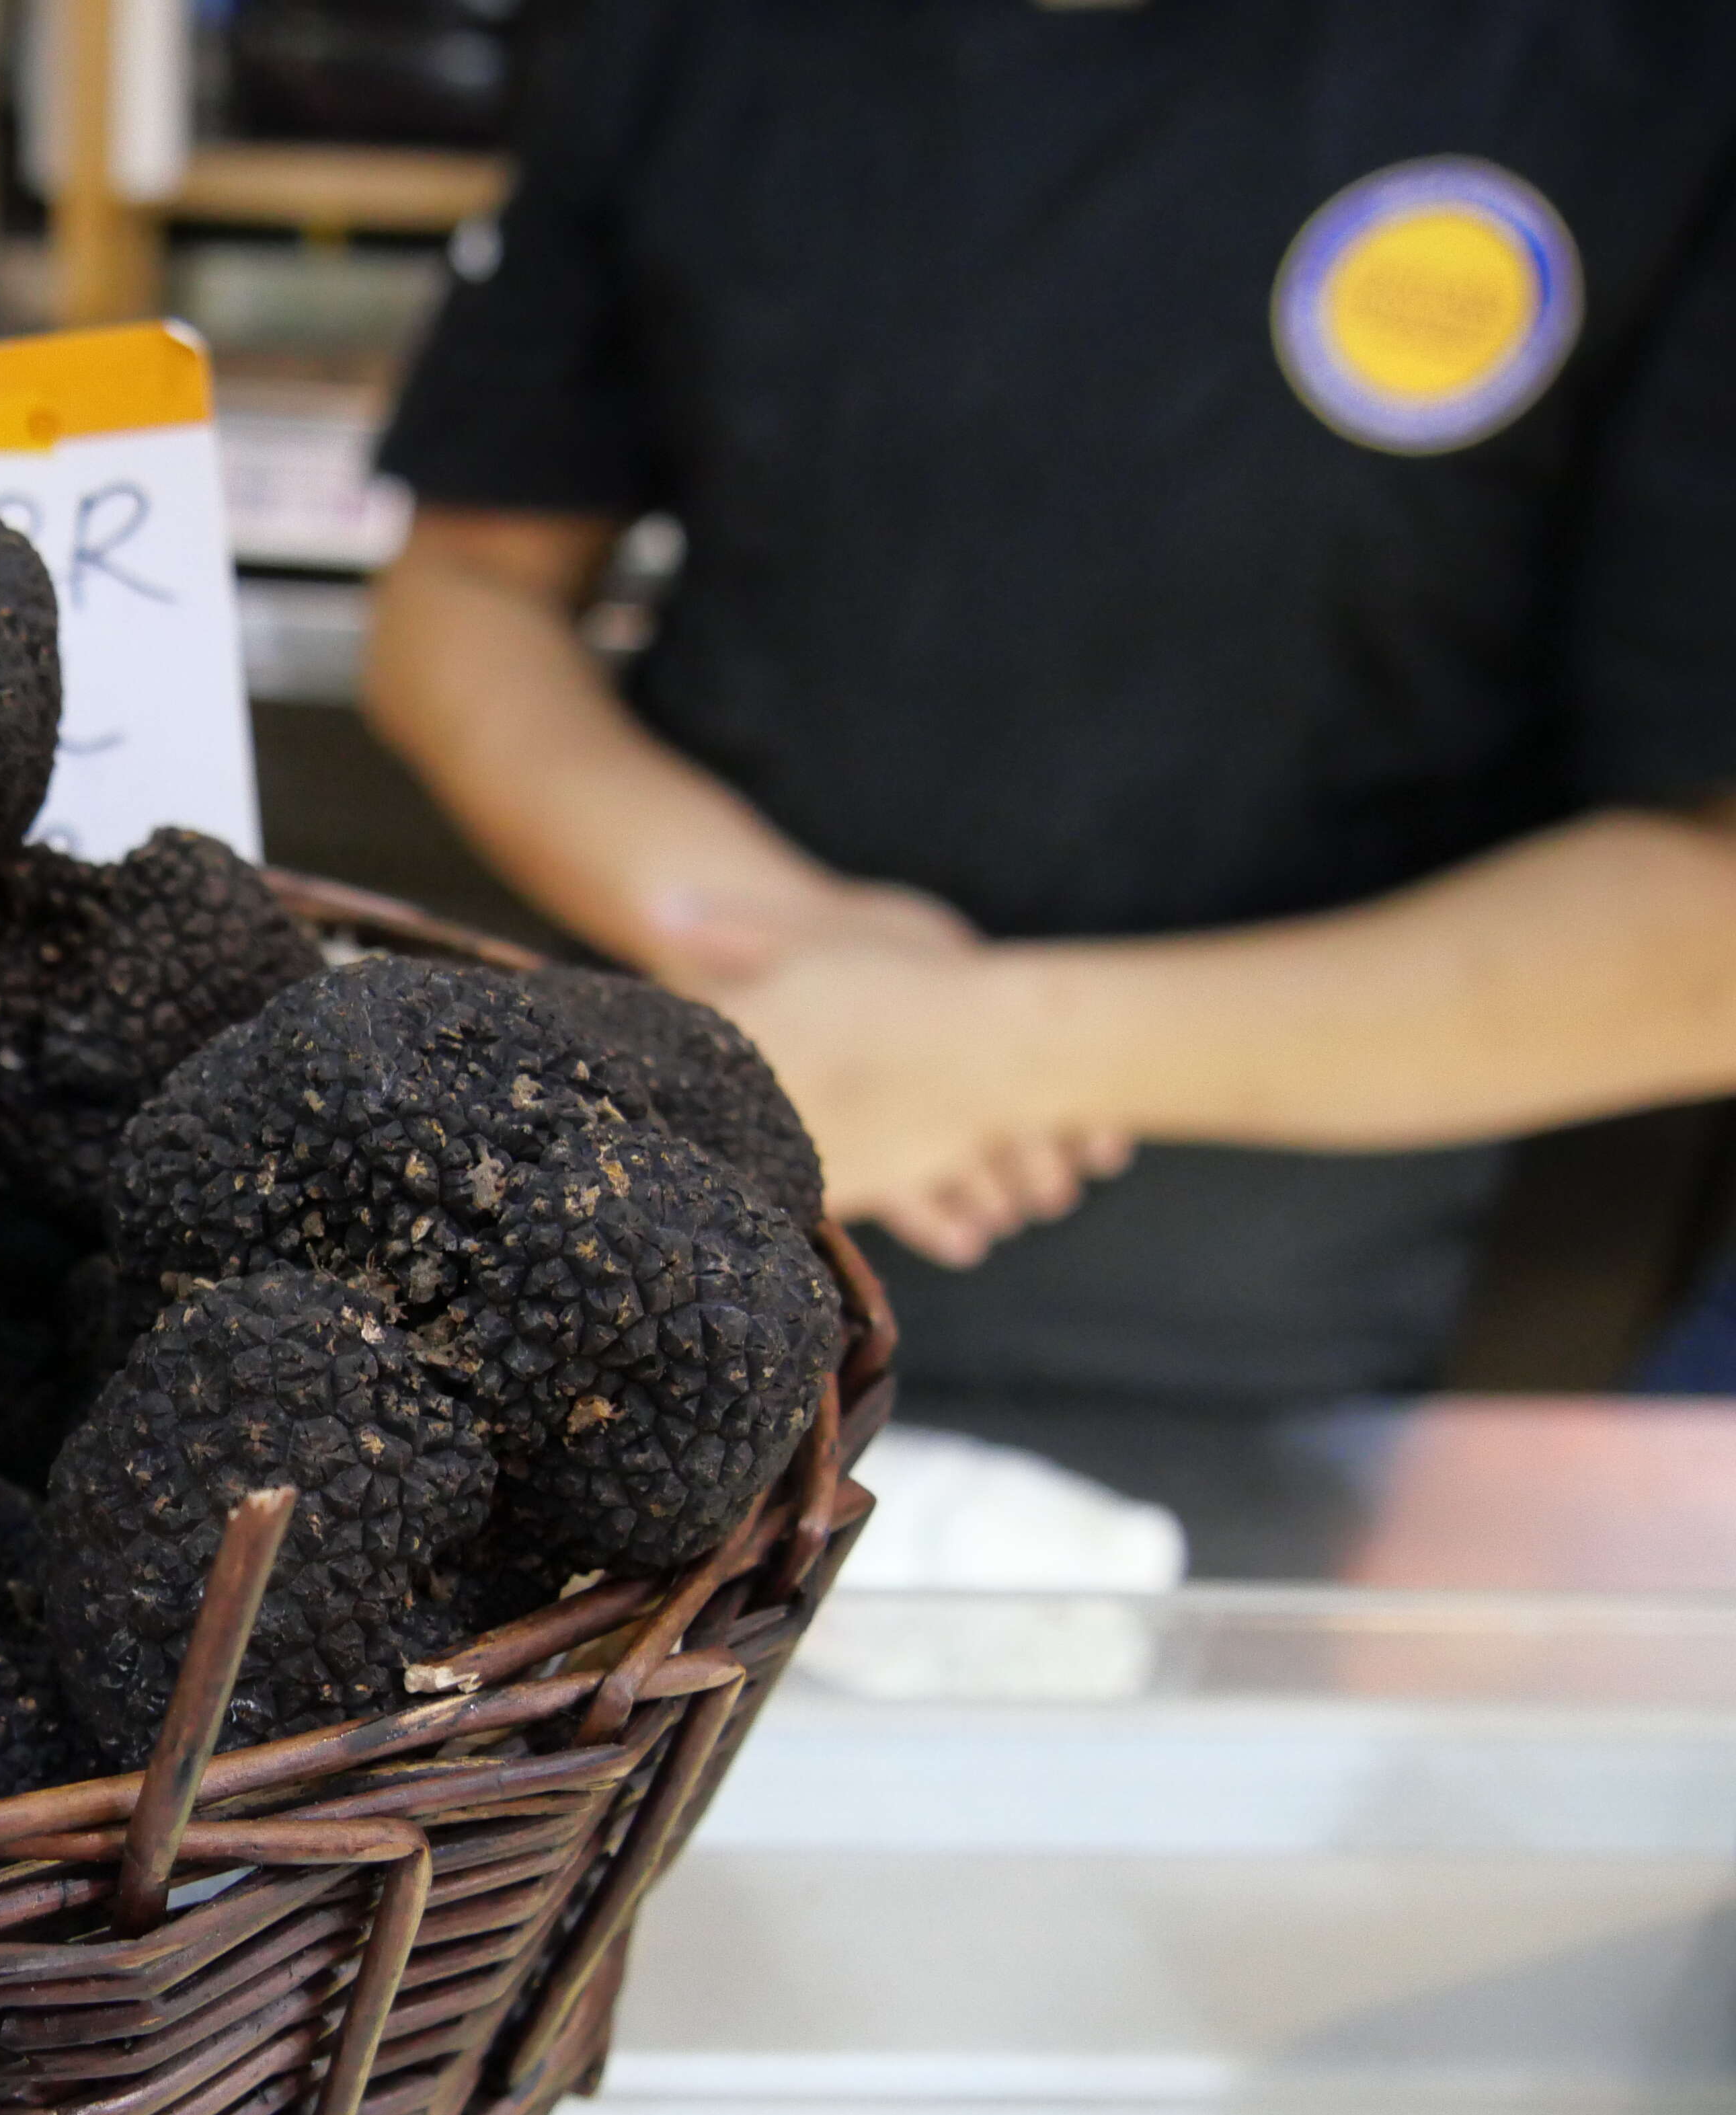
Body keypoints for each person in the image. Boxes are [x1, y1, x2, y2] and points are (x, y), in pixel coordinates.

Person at [363, 0, 1736, 1406]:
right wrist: (757, 947)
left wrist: (992, 1050)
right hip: (682, 1177)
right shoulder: (705, 36)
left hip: (1277, 1301)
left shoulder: (1652, 69)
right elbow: (468, 592)